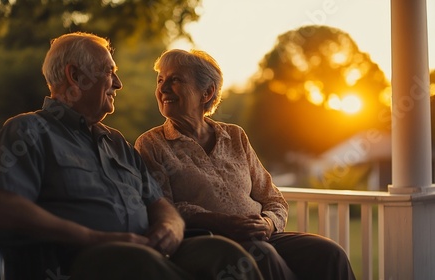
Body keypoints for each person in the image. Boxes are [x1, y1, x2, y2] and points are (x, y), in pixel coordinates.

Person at [0, 32, 264, 280]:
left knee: (223, 254)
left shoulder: (115, 141)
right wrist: (95, 238)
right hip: (78, 262)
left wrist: (171, 227)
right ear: (75, 76)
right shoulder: (29, 130)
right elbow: (0, 206)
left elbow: (159, 204)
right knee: (131, 261)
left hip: (147, 254)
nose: (118, 84)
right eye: (109, 72)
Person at [135, 49, 357, 280]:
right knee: (262, 254)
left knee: (329, 252)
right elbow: (162, 207)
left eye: (175, 80)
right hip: (209, 240)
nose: (163, 88)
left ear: (207, 92)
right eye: (160, 80)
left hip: (261, 236)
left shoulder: (234, 136)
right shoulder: (152, 144)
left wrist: (269, 224)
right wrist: (222, 222)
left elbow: (272, 198)